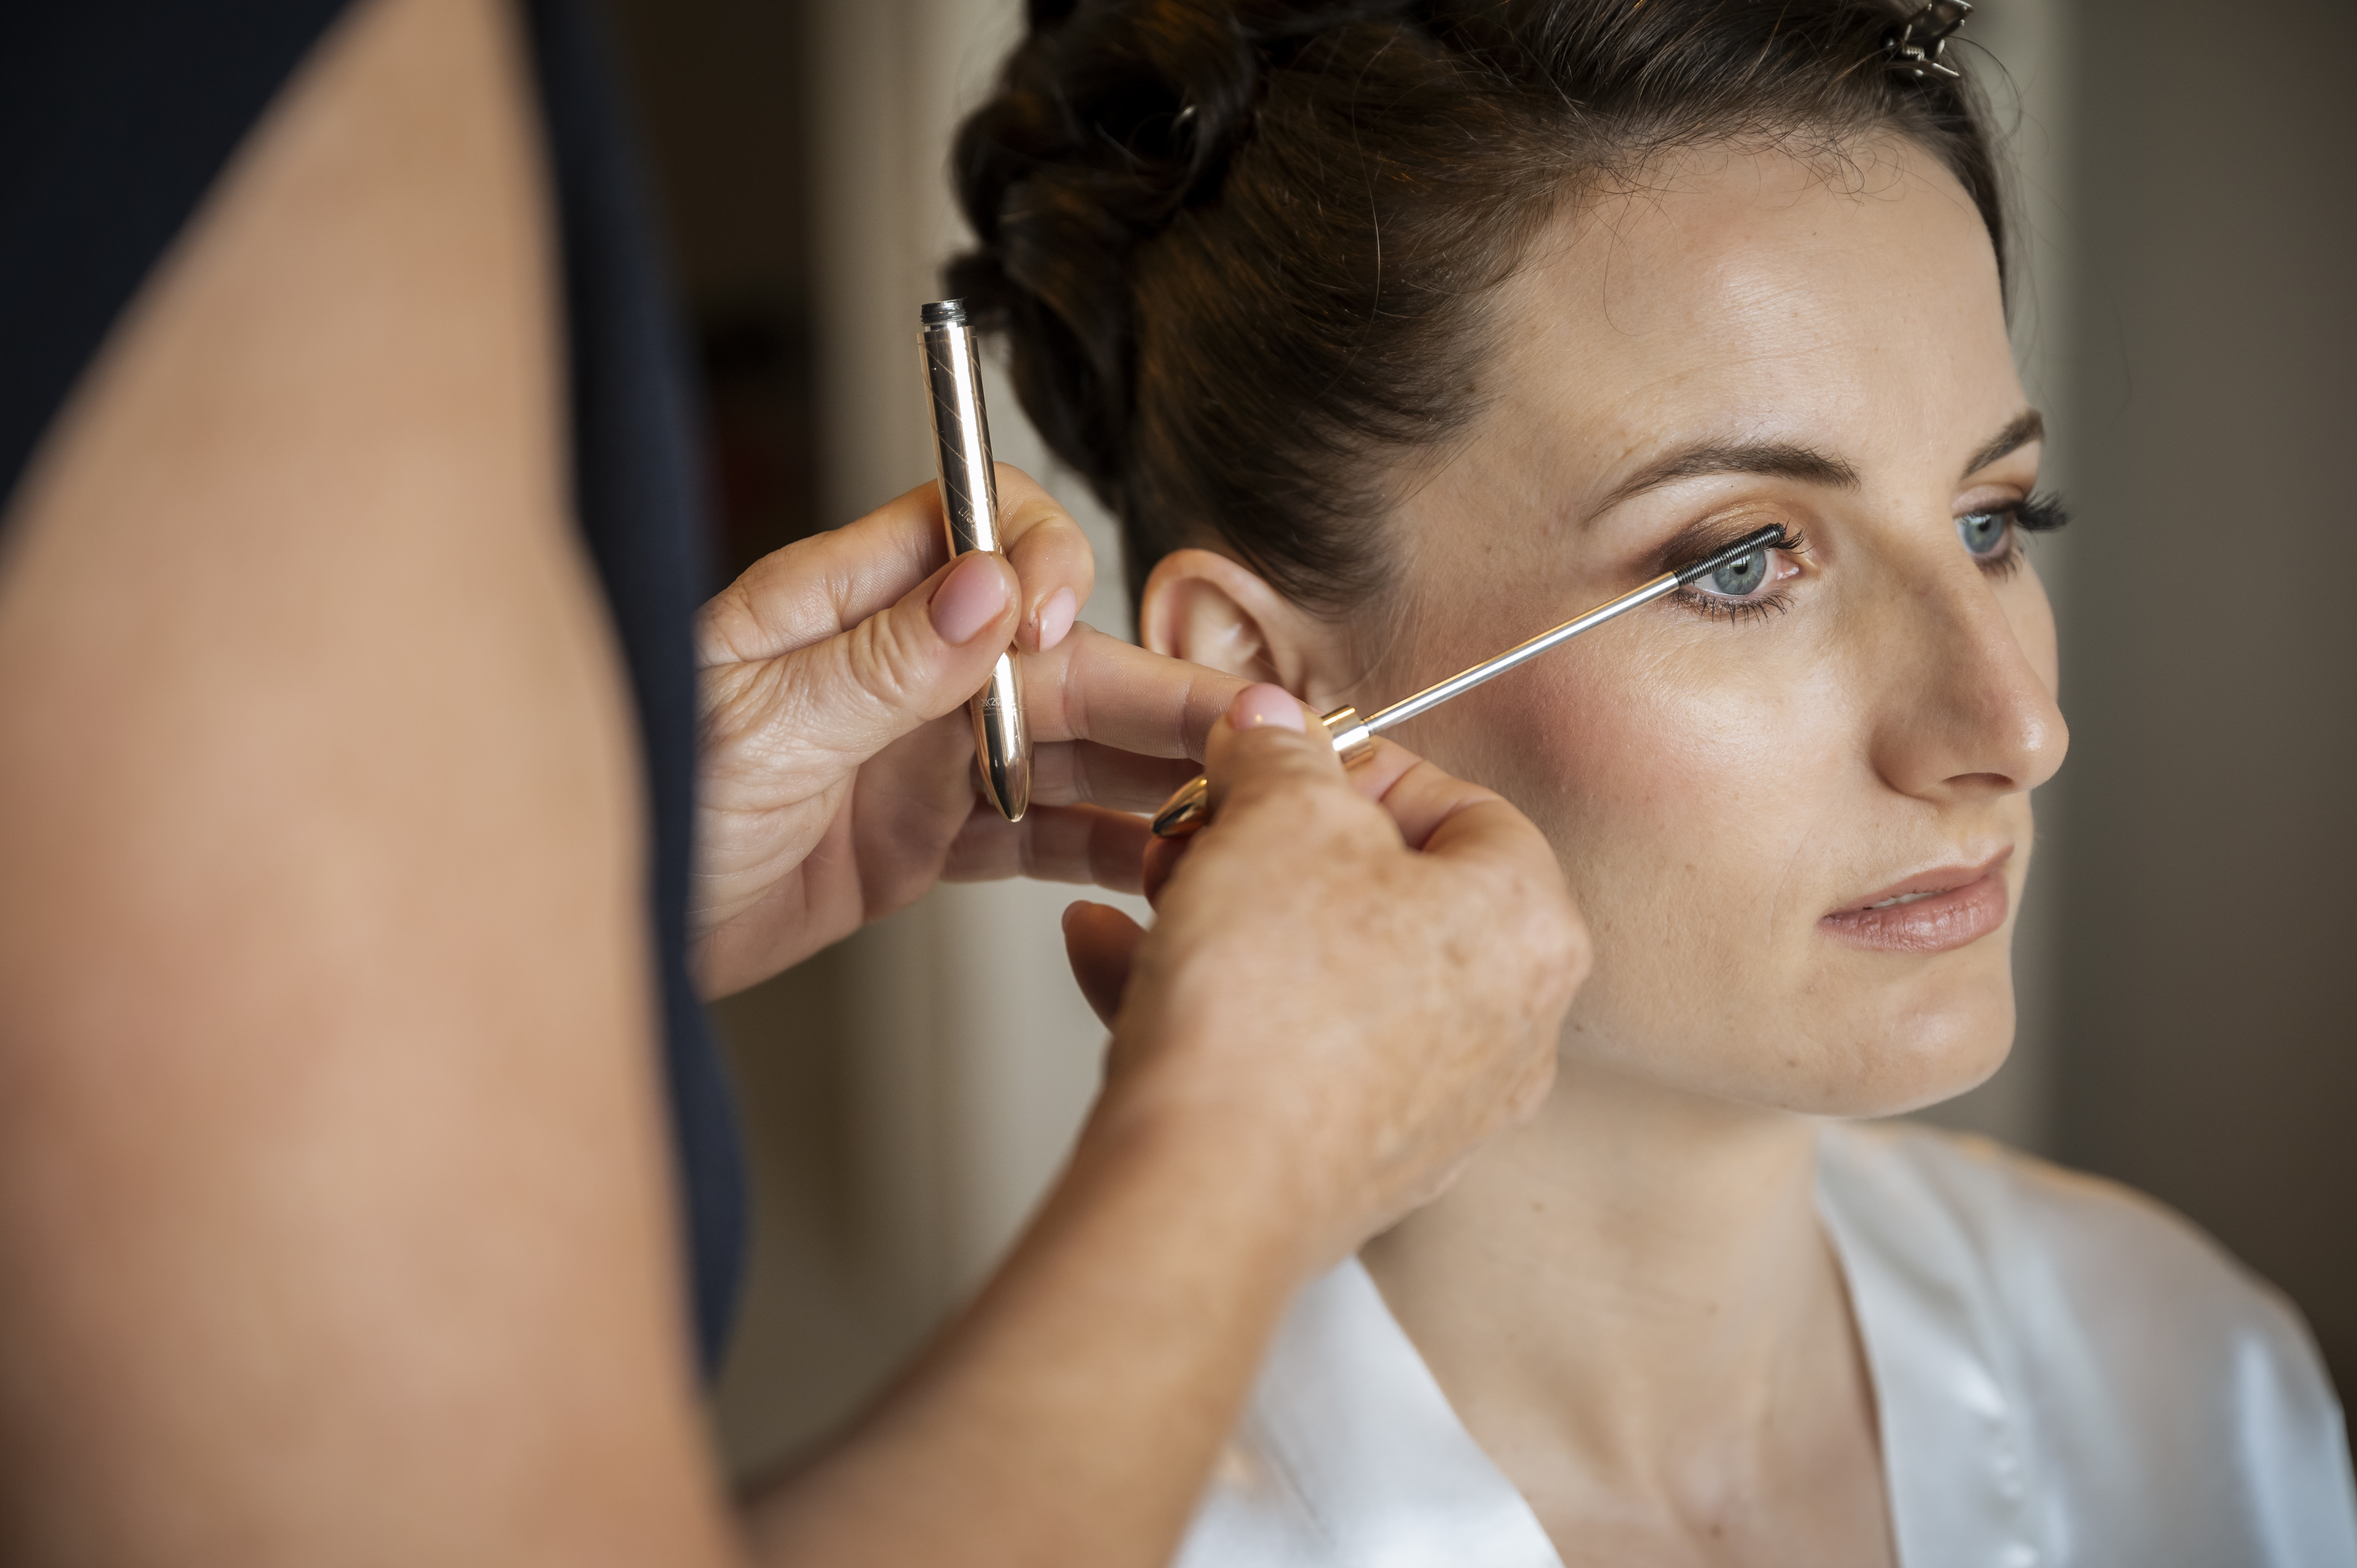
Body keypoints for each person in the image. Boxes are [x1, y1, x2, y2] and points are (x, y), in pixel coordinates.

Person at [0, 2, 1591, 1564]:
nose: (1861, 718)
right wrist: (1254, 1146)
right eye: (1734, 563)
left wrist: (623, 909)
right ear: (1277, 670)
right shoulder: (228, 94)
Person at [950, 0, 2357, 1563]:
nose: (2015, 726)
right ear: (1274, 686)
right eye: (1743, 561)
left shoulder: (2189, 1386)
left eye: (1991, 520)